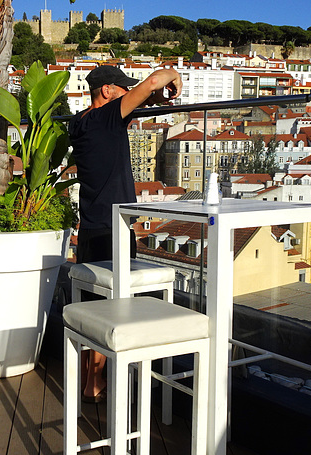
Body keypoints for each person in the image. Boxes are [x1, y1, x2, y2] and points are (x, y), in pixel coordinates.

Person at [68, 65, 182, 402]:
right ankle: (98, 382)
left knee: (91, 308)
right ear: (106, 91)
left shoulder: (80, 123)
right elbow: (153, 81)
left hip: (88, 226)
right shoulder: (107, 118)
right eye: (121, 89)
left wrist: (157, 97)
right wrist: (175, 74)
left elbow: (146, 96)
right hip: (114, 228)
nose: (125, 95)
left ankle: (89, 381)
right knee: (112, 308)